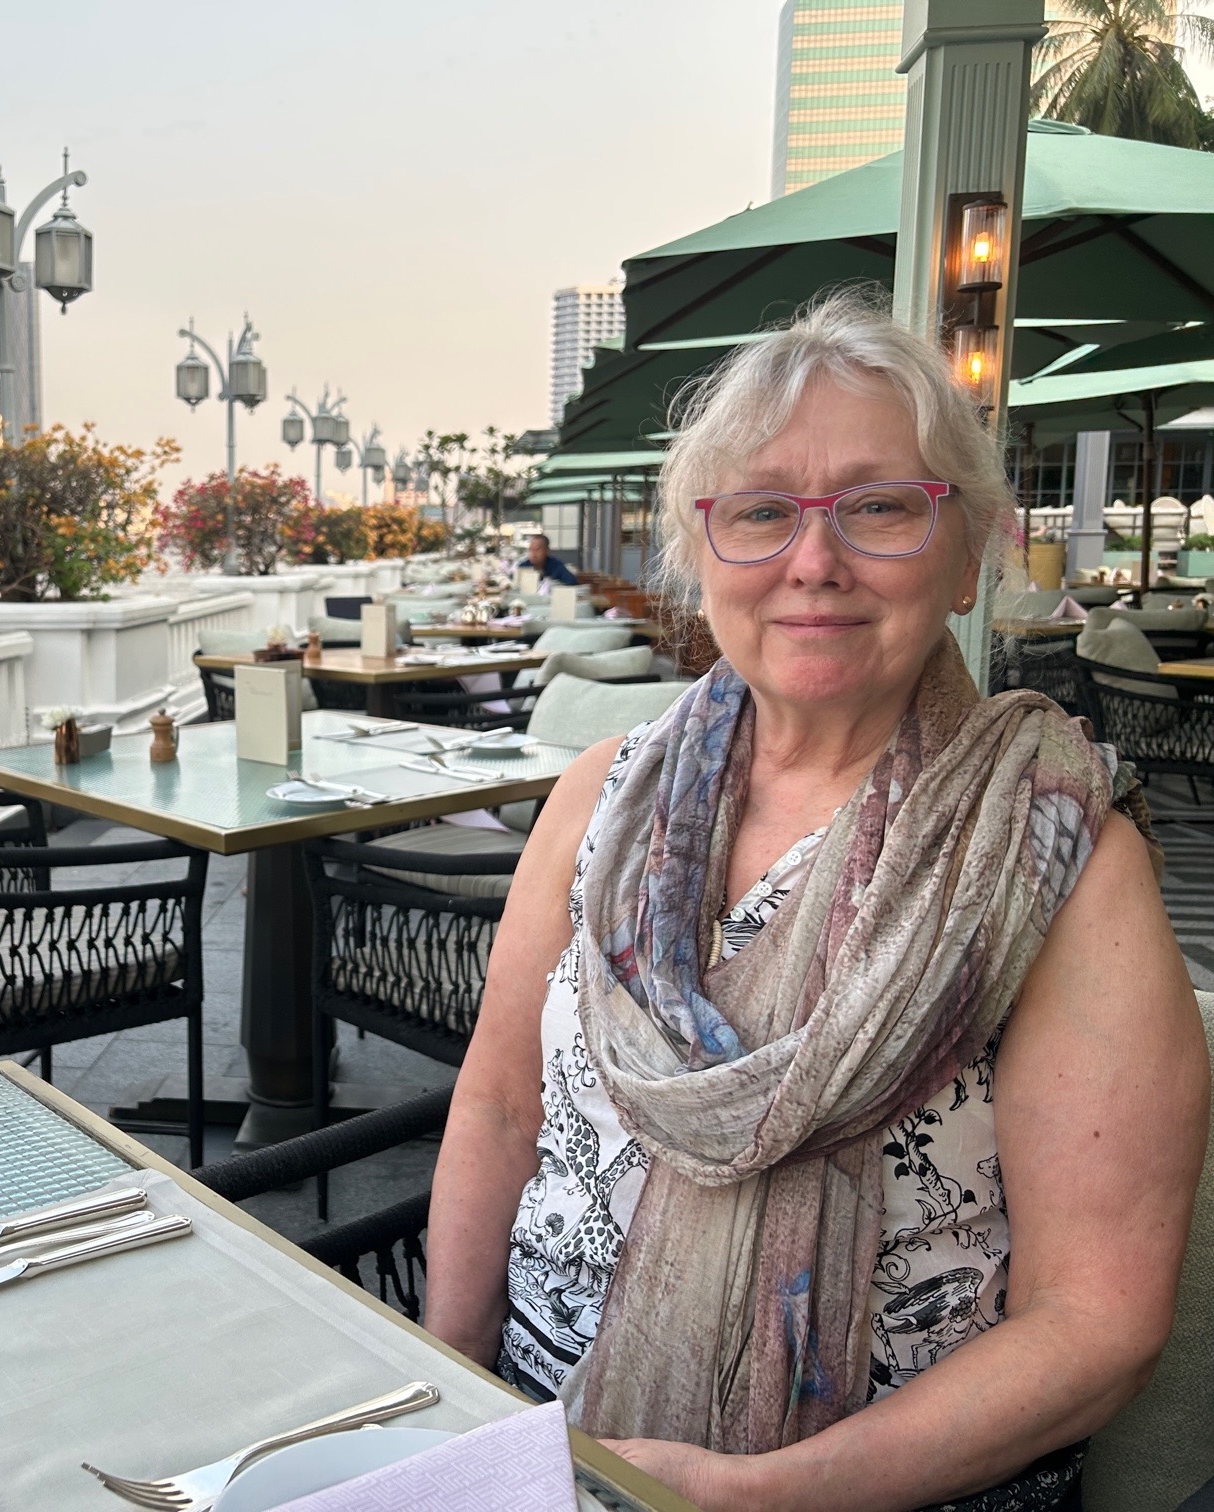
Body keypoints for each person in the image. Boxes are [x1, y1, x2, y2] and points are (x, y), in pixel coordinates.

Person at [423, 294, 1208, 1512]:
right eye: (763, 511)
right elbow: (495, 1109)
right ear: (702, 553)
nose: (814, 560)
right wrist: (450, 1397)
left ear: (967, 554)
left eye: (880, 507)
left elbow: (1100, 1319)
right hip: (543, 1446)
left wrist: (764, 1495)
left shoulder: (1066, 864)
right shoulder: (597, 797)